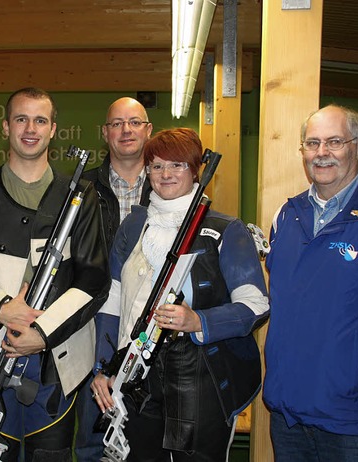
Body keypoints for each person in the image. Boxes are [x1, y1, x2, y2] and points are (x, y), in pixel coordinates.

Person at [0, 87, 109, 461]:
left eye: (40, 120)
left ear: (52, 130)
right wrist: (1, 308)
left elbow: (94, 279)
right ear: (5, 126)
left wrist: (43, 334)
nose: (30, 128)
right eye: (21, 119)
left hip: (57, 364)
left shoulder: (80, 194)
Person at [91, 127, 269, 461]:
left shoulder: (226, 229)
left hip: (200, 377)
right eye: (156, 166)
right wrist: (104, 366)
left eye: (177, 165)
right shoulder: (134, 226)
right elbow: (112, 299)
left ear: (195, 170)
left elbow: (255, 305)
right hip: (135, 374)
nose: (165, 174)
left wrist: (197, 320)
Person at [263, 104, 358, 461]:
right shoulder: (286, 215)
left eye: (334, 142)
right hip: (289, 418)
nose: (322, 153)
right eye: (312, 143)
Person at [75, 96, 153, 462]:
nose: (126, 130)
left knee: (145, 432)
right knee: (95, 431)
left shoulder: (170, 183)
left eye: (135, 122)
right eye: (118, 124)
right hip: (93, 326)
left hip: (152, 326)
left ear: (148, 130)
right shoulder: (80, 188)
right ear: (105, 133)